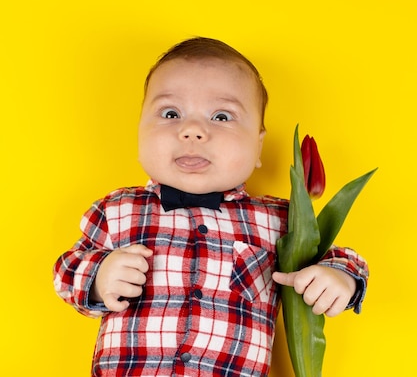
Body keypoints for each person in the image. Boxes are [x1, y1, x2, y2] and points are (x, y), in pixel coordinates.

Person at [53, 37, 368, 377]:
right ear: (139, 130)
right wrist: (99, 277)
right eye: (170, 113)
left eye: (221, 116)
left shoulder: (280, 219)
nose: (192, 131)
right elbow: (66, 270)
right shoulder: (116, 209)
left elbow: (343, 258)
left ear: (258, 146)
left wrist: (340, 279)